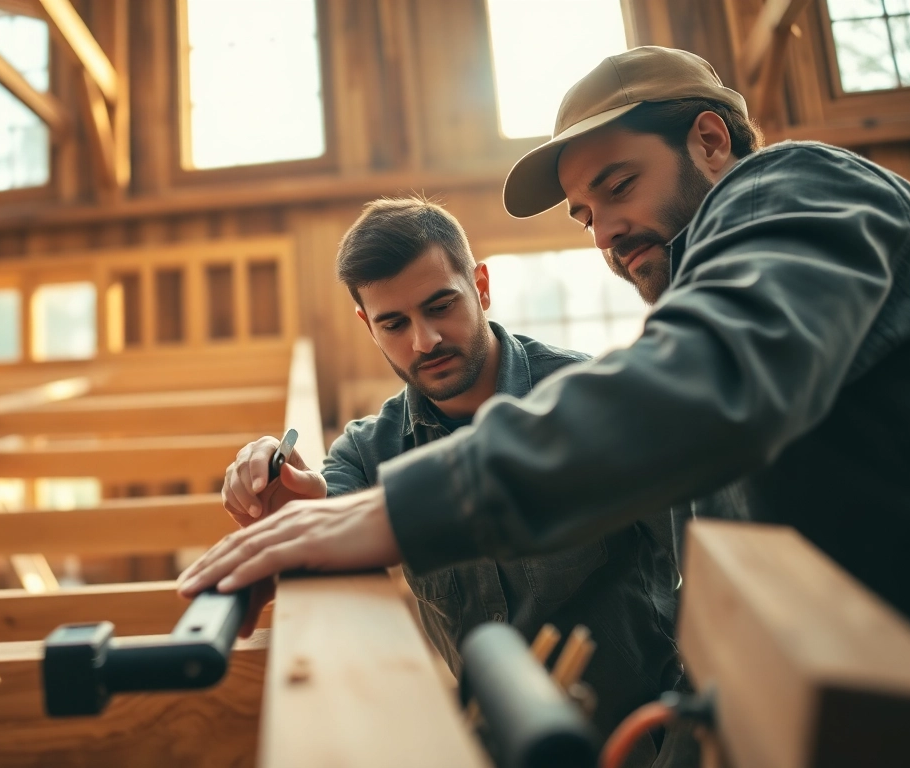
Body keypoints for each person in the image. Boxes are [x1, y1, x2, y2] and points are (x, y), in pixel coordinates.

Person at [178, 46, 910, 758]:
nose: (605, 230)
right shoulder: (695, 309)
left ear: (710, 141)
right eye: (586, 214)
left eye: (619, 187)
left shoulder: (796, 188)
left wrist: (402, 508)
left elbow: (710, 381)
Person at [216, 197, 686, 765]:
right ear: (368, 326)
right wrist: (298, 502)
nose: (425, 341)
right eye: (394, 323)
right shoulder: (369, 451)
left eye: (441, 307)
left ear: (480, 286)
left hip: (647, 744)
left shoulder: (593, 401)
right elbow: (328, 517)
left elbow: (705, 572)